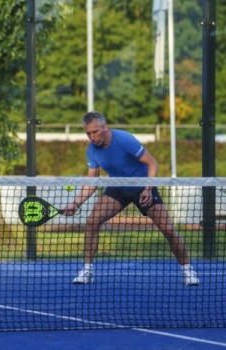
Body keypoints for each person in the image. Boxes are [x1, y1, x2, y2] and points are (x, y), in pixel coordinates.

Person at [62, 111, 199, 286]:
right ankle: (87, 270)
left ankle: (188, 271)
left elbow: (152, 164)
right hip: (118, 188)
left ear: (105, 127)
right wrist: (76, 203)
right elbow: (92, 182)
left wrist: (147, 189)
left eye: (95, 132)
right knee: (91, 222)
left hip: (143, 187)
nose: (92, 137)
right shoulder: (92, 150)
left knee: (168, 230)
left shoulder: (124, 139)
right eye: (88, 133)